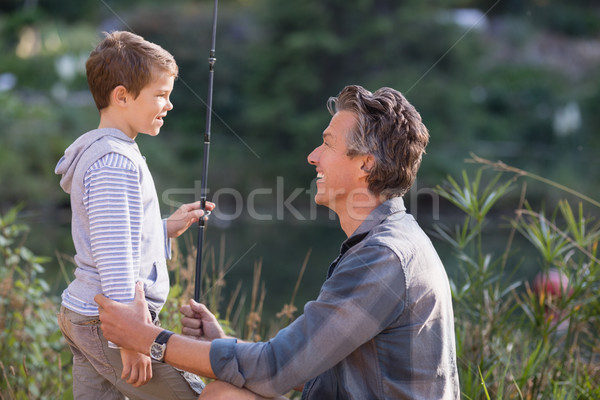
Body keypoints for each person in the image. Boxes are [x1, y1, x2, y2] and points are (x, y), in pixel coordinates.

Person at [95, 85, 460, 399]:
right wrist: (221, 343)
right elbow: (300, 365)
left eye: (327, 145)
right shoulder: (386, 243)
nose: (313, 156)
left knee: (223, 396)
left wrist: (148, 339)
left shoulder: (383, 258)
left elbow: (276, 368)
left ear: (365, 165)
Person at [55, 30, 213, 400]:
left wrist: (164, 230)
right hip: (109, 322)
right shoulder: (114, 162)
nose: (169, 104)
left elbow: (115, 235)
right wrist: (132, 339)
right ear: (122, 96)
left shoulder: (108, 151)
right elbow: (114, 258)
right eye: (161, 95)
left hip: (90, 315)